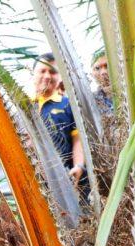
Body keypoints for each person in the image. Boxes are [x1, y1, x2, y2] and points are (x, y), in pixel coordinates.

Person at [31, 52, 85, 192]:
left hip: (66, 179)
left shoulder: (68, 104)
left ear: (60, 77)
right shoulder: (23, 106)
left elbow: (78, 139)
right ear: (33, 74)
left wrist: (78, 166)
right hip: (33, 181)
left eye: (53, 72)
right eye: (42, 71)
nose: (47, 76)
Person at [91, 50, 113, 116]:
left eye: (107, 66)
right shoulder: (91, 101)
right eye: (97, 68)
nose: (103, 72)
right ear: (92, 74)